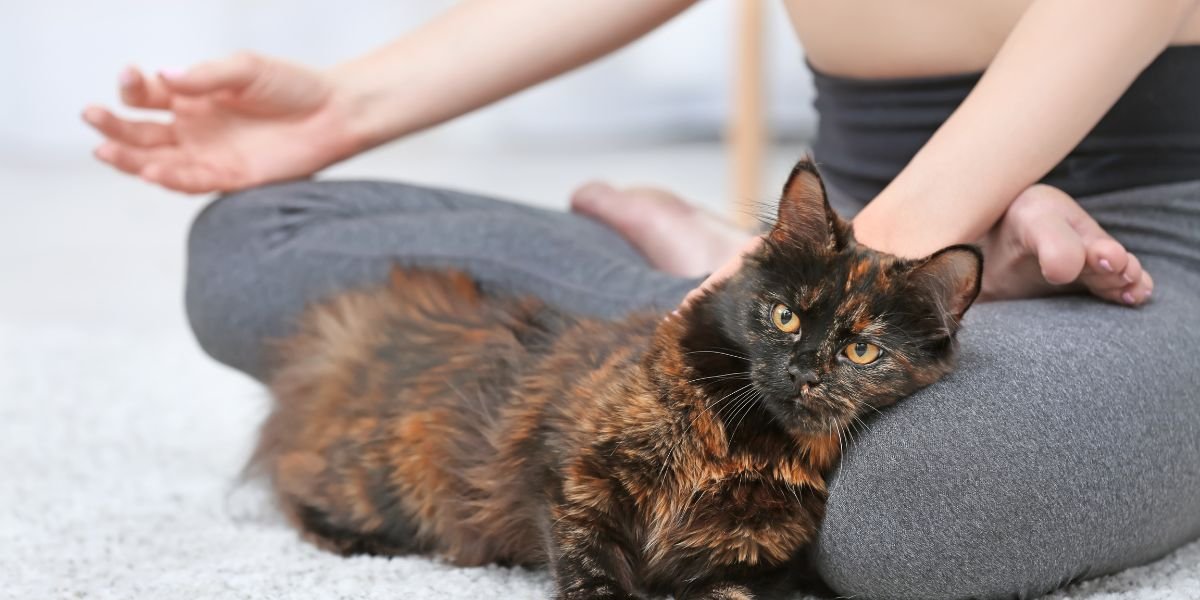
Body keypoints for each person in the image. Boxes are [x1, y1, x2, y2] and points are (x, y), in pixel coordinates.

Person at [83, 1, 1200, 598]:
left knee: (906, 517)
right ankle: (726, 281)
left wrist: (910, 251)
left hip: (1144, 247)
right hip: (824, 253)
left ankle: (761, 293)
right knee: (253, 248)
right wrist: (347, 104)